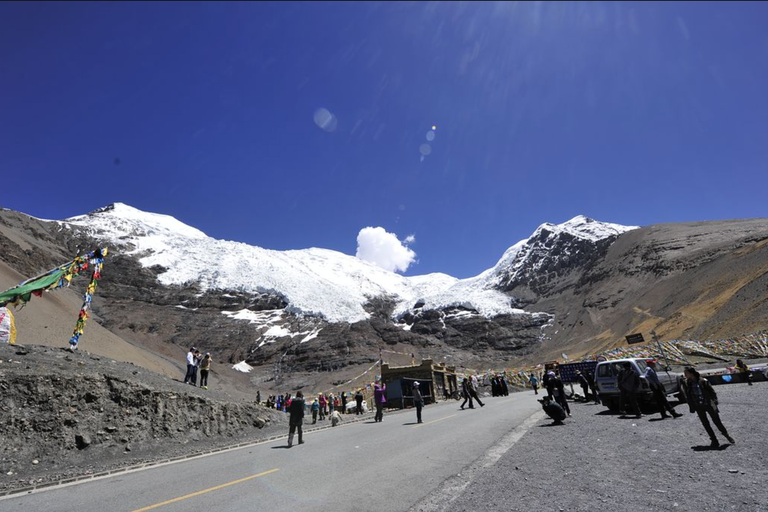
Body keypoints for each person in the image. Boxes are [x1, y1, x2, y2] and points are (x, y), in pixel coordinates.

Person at [683, 367, 735, 448]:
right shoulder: (687, 383)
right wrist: (691, 406)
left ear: (691, 373)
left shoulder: (703, 381)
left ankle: (726, 435)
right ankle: (714, 440)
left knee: (717, 421)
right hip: (698, 406)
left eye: (686, 373)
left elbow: (712, 391)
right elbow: (688, 395)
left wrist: (714, 401)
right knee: (705, 424)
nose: (685, 375)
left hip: (708, 404)